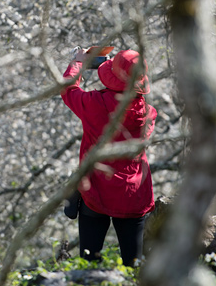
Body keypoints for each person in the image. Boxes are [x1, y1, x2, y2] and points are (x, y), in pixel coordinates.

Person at [61, 48, 157, 266]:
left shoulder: (94, 104)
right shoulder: (148, 114)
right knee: (134, 264)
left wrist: (77, 62)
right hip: (133, 195)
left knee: (88, 262)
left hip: (95, 192)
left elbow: (67, 89)